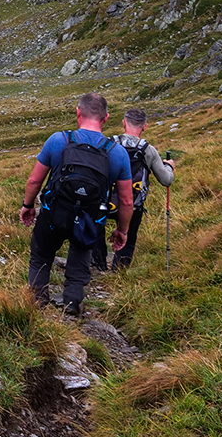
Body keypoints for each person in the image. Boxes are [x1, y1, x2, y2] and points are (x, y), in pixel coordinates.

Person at [19, 92, 133, 316]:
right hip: (90, 218)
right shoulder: (117, 153)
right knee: (80, 256)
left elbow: (34, 180)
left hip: (54, 214)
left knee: (41, 256)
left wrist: (28, 205)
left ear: (78, 112)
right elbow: (127, 201)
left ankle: (37, 304)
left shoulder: (58, 140)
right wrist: (122, 230)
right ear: (106, 118)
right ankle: (72, 305)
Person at [94, 108, 175, 271]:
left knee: (97, 232)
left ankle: (98, 266)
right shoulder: (148, 150)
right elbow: (166, 180)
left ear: (124, 123)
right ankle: (119, 272)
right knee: (129, 239)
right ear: (144, 126)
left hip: (104, 201)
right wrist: (169, 168)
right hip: (133, 204)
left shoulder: (108, 144)